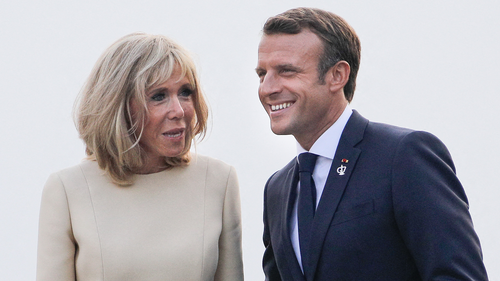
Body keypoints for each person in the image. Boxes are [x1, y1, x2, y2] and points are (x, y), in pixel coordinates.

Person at [256, 7, 488, 281]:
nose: (267, 88)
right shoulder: (276, 189)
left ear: (337, 76)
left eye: (286, 71)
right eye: (262, 74)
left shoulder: (404, 156)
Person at [37, 33, 244, 281]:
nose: (178, 110)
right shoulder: (67, 190)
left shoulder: (220, 181)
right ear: (118, 106)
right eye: (159, 96)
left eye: (185, 92)